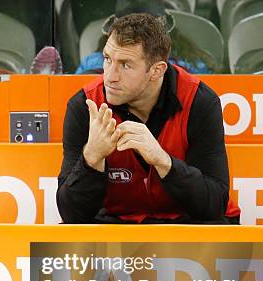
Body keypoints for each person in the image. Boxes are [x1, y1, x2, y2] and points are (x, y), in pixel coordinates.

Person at [56, 12, 240, 224]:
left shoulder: (199, 102)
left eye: (125, 65)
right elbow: (71, 216)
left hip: (185, 224)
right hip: (118, 224)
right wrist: (92, 158)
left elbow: (214, 205)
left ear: (156, 71)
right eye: (107, 59)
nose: (110, 76)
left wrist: (164, 162)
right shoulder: (84, 106)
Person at [75, 2, 222, 74]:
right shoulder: (93, 63)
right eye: (130, 35)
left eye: (147, 34)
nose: (138, 42)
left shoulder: (192, 65)